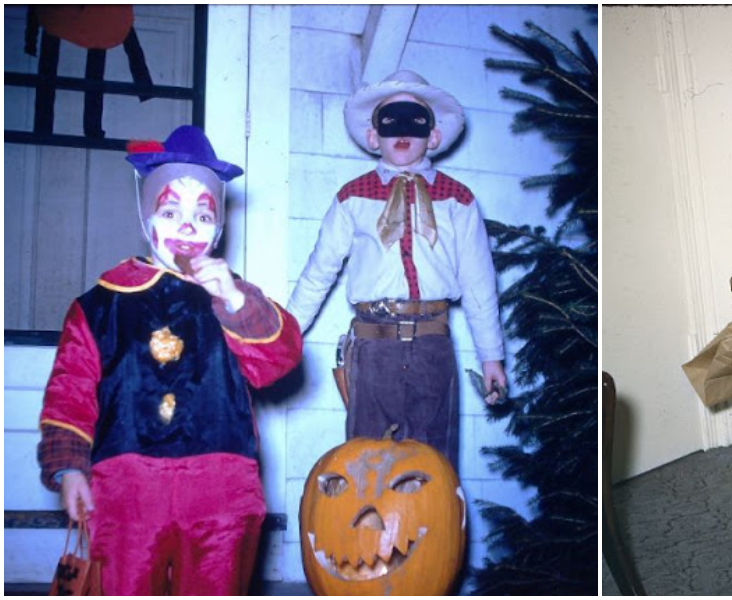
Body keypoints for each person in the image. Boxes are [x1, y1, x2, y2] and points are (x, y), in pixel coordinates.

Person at [36, 125, 304, 594]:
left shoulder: (234, 298)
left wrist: (237, 303)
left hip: (222, 486)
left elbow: (278, 362)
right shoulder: (100, 305)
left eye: (202, 216)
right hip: (127, 487)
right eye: (170, 211)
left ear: (219, 229)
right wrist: (71, 467)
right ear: (145, 220)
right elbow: (69, 393)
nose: (186, 227)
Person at [287, 70, 507, 468]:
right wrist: (285, 337)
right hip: (373, 349)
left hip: (432, 348)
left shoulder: (458, 200)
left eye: (415, 122)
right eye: (391, 123)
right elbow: (319, 272)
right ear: (374, 137)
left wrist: (492, 356)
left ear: (433, 135)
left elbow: (478, 282)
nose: (402, 132)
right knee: (370, 462)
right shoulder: (352, 198)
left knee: (432, 466)